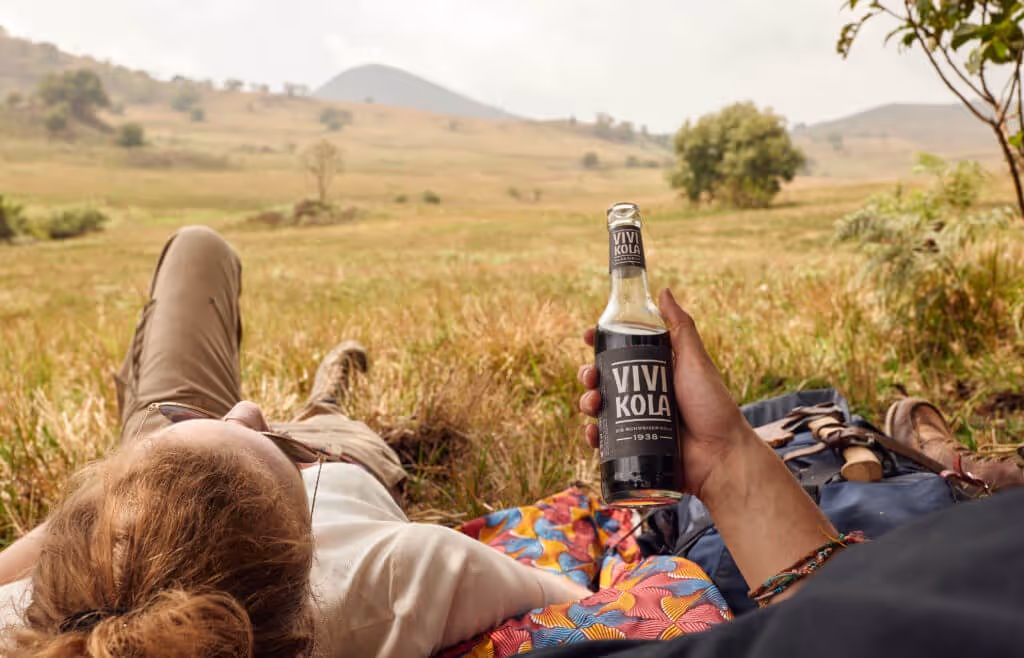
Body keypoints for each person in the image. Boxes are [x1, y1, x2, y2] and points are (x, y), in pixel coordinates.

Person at [0, 226, 595, 658]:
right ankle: (325, 402)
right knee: (329, 424)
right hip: (340, 458)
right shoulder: (403, 573)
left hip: (168, 453)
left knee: (197, 247)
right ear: (306, 556)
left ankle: (160, 422)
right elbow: (603, 612)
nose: (247, 410)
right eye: (266, 439)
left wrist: (151, 462)